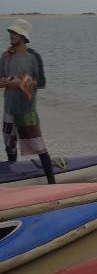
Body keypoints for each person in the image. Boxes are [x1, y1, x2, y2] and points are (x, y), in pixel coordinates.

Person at [1, 19, 56, 184]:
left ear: (23, 36)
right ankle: (13, 178)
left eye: (15, 33)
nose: (11, 35)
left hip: (27, 111)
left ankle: (52, 184)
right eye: (11, 32)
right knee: (9, 145)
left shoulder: (34, 57)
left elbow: (41, 83)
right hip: (9, 109)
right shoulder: (5, 56)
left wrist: (22, 83)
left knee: (39, 147)